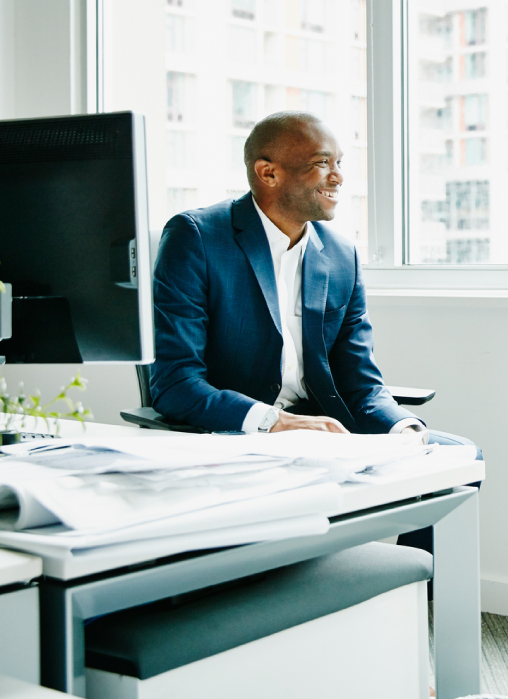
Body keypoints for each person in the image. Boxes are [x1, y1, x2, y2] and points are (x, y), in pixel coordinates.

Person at [150, 111, 480, 553]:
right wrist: (276, 422)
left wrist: (401, 429)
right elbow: (175, 384)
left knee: (455, 455)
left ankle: (410, 589)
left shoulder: (341, 254)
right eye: (323, 163)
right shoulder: (197, 237)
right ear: (268, 172)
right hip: (241, 435)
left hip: (325, 431)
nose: (339, 177)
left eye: (341, 162)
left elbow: (361, 381)